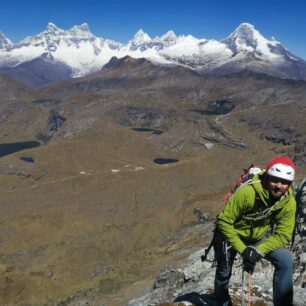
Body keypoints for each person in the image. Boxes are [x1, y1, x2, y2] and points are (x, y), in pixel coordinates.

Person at [213, 157, 296, 306]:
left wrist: (258, 251)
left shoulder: (288, 203)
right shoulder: (247, 193)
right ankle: (223, 303)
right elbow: (224, 221)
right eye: (275, 180)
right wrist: (243, 250)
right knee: (223, 272)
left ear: (289, 184)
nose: (278, 186)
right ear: (267, 177)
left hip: (257, 237)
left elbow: (283, 235)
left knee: (285, 261)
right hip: (230, 233)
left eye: (284, 182)